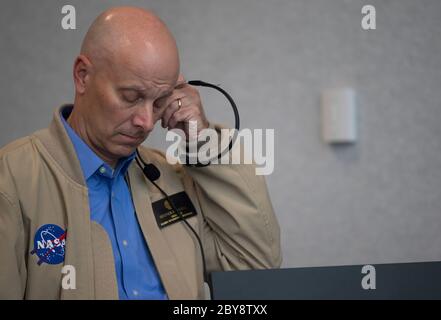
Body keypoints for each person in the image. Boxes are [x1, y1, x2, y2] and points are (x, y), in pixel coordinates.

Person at [0, 6, 281, 299]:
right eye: (131, 97)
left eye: (159, 101)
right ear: (83, 76)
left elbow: (256, 268)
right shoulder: (12, 180)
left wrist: (203, 143)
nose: (146, 122)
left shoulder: (168, 177)